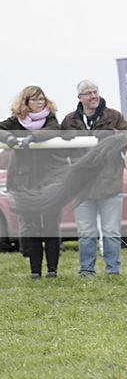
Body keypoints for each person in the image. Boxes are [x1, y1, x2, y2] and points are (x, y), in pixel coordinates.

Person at [61, 79, 127, 276]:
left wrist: (113, 134)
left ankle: (113, 271)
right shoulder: (69, 120)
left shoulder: (114, 116)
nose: (93, 96)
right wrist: (61, 137)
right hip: (81, 185)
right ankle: (86, 270)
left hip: (109, 182)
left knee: (111, 232)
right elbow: (58, 148)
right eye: (89, 93)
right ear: (80, 97)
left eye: (95, 92)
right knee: (86, 233)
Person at [1, 86, 63, 279]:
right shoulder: (14, 122)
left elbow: (54, 131)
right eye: (35, 99)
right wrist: (10, 137)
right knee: (32, 228)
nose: (40, 102)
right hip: (25, 183)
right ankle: (35, 272)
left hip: (50, 181)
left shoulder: (51, 119)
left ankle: (52, 271)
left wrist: (32, 137)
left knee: (51, 227)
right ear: (25, 103)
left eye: (42, 98)